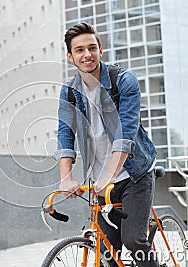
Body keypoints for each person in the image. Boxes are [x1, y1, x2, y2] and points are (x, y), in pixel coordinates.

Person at [53, 22, 158, 267]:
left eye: (91, 48)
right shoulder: (69, 91)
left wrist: (109, 177)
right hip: (100, 179)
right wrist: (65, 177)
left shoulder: (123, 81)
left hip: (134, 173)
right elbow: (64, 133)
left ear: (101, 50)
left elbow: (126, 134)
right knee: (106, 250)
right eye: (79, 50)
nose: (86, 54)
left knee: (134, 242)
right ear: (70, 56)